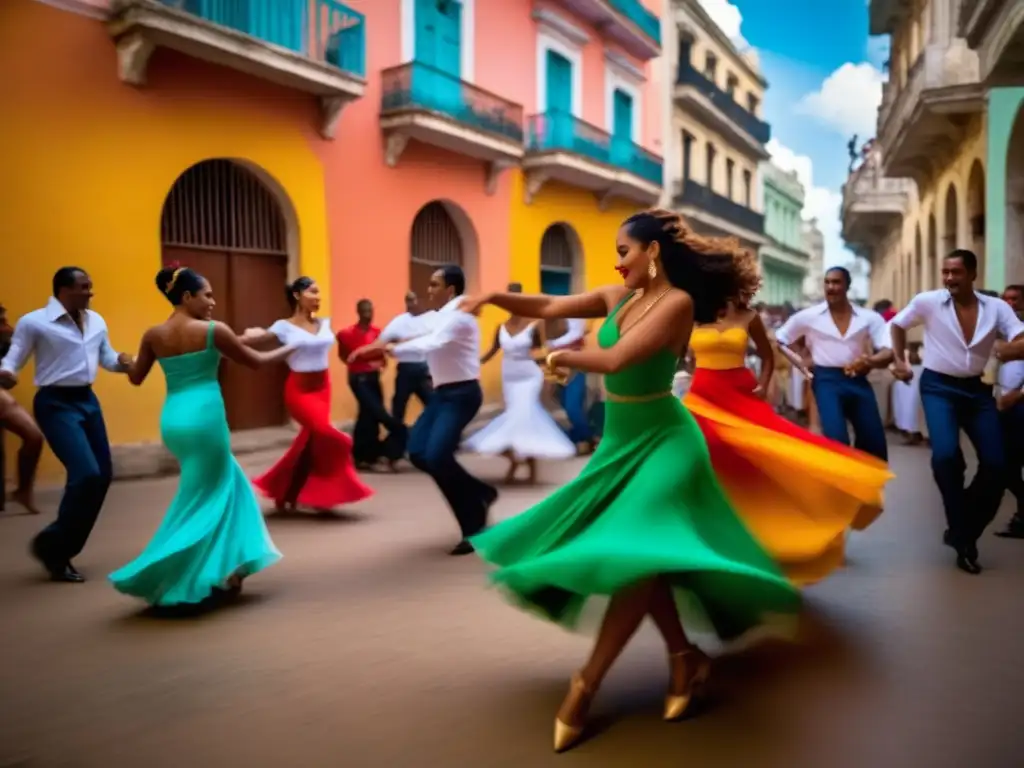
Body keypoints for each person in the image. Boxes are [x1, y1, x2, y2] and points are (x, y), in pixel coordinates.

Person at [460, 210, 800, 753]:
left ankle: (585, 685)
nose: (617, 262)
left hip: (666, 440)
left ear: (653, 253)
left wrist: (567, 355)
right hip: (620, 443)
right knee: (642, 556)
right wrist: (496, 298)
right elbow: (548, 307)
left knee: (633, 546)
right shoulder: (619, 297)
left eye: (624, 251)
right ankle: (685, 658)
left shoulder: (678, 305)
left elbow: (616, 359)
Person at [683, 278, 894, 586]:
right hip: (702, 396)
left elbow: (769, 355)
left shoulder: (748, 317)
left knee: (766, 454)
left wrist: (763, 384)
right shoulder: (694, 314)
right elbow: (684, 356)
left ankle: (801, 521)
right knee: (699, 457)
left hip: (740, 393)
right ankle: (703, 531)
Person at [108, 266, 288, 607]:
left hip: (174, 418)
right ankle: (171, 570)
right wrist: (290, 348)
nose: (212, 301)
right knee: (204, 495)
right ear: (187, 296)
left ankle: (228, 569)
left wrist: (124, 360)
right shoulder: (212, 330)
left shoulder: (153, 334)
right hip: (205, 417)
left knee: (227, 485)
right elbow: (257, 362)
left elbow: (135, 377)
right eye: (206, 294)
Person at [891, 249, 1024, 574]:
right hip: (938, 387)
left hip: (977, 391)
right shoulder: (928, 301)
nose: (949, 278)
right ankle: (963, 536)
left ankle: (963, 526)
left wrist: (1010, 347)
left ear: (972, 274)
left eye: (956, 273)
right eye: (945, 272)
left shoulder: (996, 308)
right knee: (947, 456)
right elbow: (897, 325)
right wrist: (899, 360)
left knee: (997, 465)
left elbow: (1020, 336)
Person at [349, 265, 497, 555]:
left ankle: (473, 525)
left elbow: (433, 342)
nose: (428, 290)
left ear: (450, 289)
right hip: (443, 394)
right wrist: (377, 347)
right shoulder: (439, 317)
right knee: (418, 453)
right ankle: (480, 493)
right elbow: (416, 336)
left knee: (438, 456)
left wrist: (389, 351)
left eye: (434, 284)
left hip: (463, 394)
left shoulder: (460, 317)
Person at [0, 268, 132, 582]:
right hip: (55, 403)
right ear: (63, 290)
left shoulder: (96, 320)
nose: (90, 293)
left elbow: (107, 357)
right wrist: (7, 372)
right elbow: (14, 356)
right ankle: (56, 548)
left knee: (103, 476)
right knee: (85, 474)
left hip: (88, 400)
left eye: (90, 287)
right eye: (84, 287)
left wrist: (125, 363)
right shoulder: (35, 322)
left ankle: (59, 546)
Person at [243, 277, 373, 513]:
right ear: (297, 295)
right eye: (312, 292)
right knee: (334, 437)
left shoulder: (324, 323)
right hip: (300, 390)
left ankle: (288, 494)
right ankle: (327, 488)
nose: (317, 298)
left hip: (323, 387)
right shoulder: (283, 327)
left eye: (319, 293)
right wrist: (216, 340)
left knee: (310, 443)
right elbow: (250, 343)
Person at [775, 267, 893, 462]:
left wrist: (869, 361)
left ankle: (863, 487)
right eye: (827, 282)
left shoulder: (869, 318)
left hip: (857, 379)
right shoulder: (809, 316)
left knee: (874, 444)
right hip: (826, 381)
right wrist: (801, 364)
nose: (831, 287)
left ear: (847, 286)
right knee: (837, 440)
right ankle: (841, 486)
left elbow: (888, 350)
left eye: (837, 282)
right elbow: (780, 339)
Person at [464, 283, 576, 484]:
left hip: (529, 375)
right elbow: (492, 351)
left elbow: (543, 350)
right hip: (509, 377)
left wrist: (551, 374)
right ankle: (517, 462)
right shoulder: (501, 327)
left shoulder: (535, 324)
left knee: (524, 417)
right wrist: (473, 363)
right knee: (519, 421)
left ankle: (526, 468)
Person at [336, 300, 404, 470]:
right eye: (365, 311)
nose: (368, 314)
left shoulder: (377, 333)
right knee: (380, 414)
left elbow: (383, 354)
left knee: (367, 415)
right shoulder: (346, 334)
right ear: (358, 312)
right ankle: (398, 440)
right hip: (358, 379)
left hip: (374, 377)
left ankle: (362, 456)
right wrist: (358, 365)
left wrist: (379, 363)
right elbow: (344, 356)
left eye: (370, 311)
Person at [0, 303, 44, 515]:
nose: (7, 327)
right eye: (1, 322)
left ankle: (23, 491)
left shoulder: (6, 341)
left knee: (33, 436)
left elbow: (8, 381)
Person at [379, 291, 434, 430]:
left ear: (420, 301)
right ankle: (397, 441)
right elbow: (383, 341)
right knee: (398, 407)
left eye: (413, 300)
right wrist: (398, 343)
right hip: (405, 369)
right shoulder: (399, 321)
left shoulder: (430, 318)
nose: (411, 303)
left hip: (423, 369)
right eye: (408, 300)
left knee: (434, 404)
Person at [547, 317, 594, 453]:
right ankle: (582, 437)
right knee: (563, 402)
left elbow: (576, 337)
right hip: (557, 368)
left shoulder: (575, 318)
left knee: (572, 407)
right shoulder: (548, 322)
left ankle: (588, 438)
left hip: (574, 367)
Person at [994, 346, 1024, 539]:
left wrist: (1019, 394)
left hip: (1019, 404)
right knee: (1004, 465)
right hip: (1002, 406)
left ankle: (1021, 520)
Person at [891, 343, 924, 445]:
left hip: (913, 396)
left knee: (912, 414)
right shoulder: (911, 368)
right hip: (909, 394)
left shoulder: (920, 369)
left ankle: (916, 435)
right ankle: (914, 434)